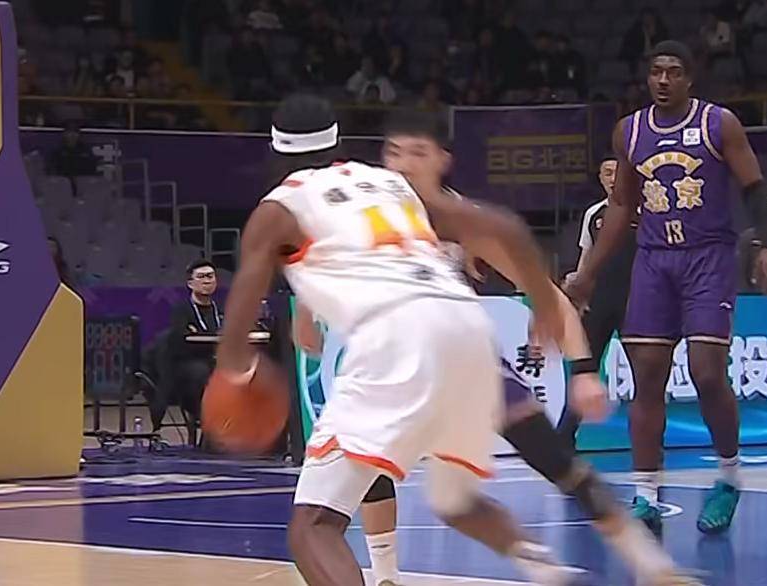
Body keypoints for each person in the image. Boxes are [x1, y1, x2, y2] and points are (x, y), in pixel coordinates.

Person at [293, 112, 694, 586]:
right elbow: (314, 263)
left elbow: (547, 293)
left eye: (418, 153)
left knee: (556, 463)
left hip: (458, 360)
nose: (403, 164)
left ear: (442, 160)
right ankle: (397, 574)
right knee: (416, 489)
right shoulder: (366, 207)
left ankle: (652, 565)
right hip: (395, 359)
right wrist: (306, 313)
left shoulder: (461, 218)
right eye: (394, 153)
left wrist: (584, 368)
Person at [215, 94, 575, 586]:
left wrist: (237, 371)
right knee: (455, 501)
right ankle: (545, 567)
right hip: (469, 330)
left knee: (314, 524)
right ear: (338, 142)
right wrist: (545, 302)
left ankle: (392, 572)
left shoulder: (279, 208)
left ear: (276, 150)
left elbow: (240, 321)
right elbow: (502, 225)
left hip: (395, 340)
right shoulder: (390, 183)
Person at [567, 41, 767, 535]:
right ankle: (646, 493)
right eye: (656, 71)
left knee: (706, 372)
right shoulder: (630, 131)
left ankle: (729, 476)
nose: (663, 80)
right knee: (646, 375)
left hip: (707, 256)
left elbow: (753, 188)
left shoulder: (718, 124)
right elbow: (622, 206)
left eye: (674, 72)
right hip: (653, 259)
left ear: (690, 78)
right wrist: (588, 272)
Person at [557, 156, 638, 446]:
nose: (613, 178)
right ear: (601, 179)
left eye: (618, 172)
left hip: (636, 302)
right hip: (599, 302)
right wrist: (579, 289)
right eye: (607, 173)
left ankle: (649, 443)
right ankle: (563, 442)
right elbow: (587, 257)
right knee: (583, 369)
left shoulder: (645, 209)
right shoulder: (594, 214)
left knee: (646, 376)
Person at [152, 260, 222, 432]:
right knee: (201, 372)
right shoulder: (181, 310)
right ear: (190, 283)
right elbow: (182, 341)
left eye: (210, 276)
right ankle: (207, 419)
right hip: (186, 365)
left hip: (215, 360)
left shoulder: (220, 310)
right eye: (201, 277)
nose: (207, 281)